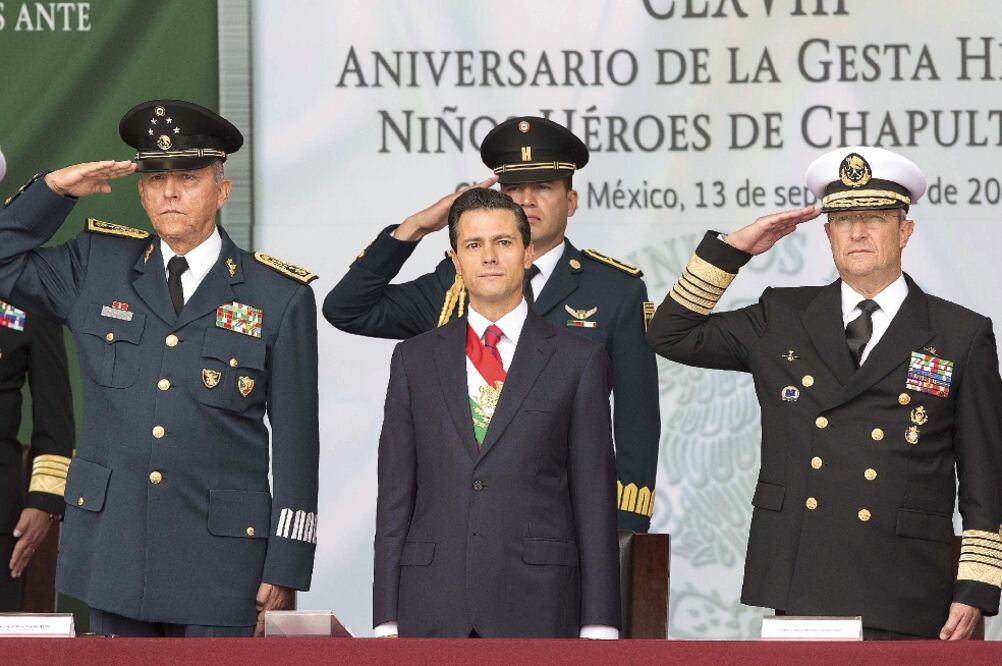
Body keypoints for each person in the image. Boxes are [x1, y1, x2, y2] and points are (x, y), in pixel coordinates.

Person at [645, 146, 1002, 640]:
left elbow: (986, 472)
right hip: (802, 572)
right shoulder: (782, 316)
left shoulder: (959, 332)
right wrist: (734, 249)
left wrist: (976, 587)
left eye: (874, 218)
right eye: (843, 219)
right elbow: (670, 334)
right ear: (827, 233)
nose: (857, 232)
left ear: (905, 231)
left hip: (909, 579)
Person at [0, 100, 320, 637]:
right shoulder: (94, 266)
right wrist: (54, 189)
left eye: (188, 178)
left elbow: (297, 445)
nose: (170, 191)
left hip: (221, 565)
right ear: (142, 191)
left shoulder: (277, 295)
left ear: (222, 190)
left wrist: (286, 564)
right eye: (156, 178)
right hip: (112, 552)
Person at [326, 116, 661, 532]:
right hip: (462, 518)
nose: (527, 201)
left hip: (566, 520)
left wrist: (624, 526)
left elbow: (637, 420)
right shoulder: (455, 281)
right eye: (513, 190)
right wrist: (415, 228)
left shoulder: (614, 291)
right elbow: (348, 308)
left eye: (542, 188)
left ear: (570, 202)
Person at [373, 188, 620, 638]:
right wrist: (387, 616)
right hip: (431, 604)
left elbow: (594, 499)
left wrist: (600, 622)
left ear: (528, 253)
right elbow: (394, 496)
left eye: (503, 242)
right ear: (456, 260)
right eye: (474, 245)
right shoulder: (413, 359)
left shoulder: (577, 359)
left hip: (538, 602)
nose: (489, 257)